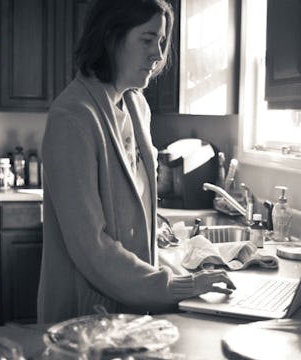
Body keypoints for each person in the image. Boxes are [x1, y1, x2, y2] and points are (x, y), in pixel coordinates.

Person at [37, 0, 235, 323]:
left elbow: (130, 211)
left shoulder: (136, 108)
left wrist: (173, 257)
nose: (158, 55)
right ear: (111, 37)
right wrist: (175, 286)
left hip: (129, 315)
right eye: (147, 40)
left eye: (161, 42)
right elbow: (93, 249)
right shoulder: (71, 118)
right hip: (84, 321)